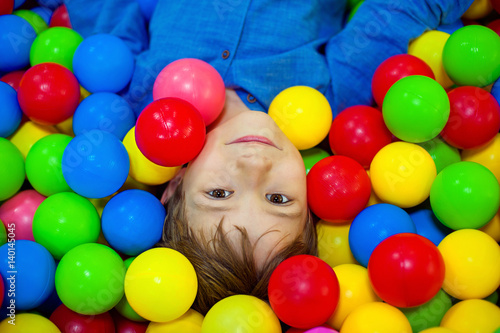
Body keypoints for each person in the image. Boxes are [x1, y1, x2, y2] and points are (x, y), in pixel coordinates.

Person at [64, 0, 474, 315]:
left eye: (220, 193)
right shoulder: (333, 102)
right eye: (279, 200)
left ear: (174, 186)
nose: (255, 167)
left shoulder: (138, 99)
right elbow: (396, 13)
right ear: (312, 200)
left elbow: (106, 15)